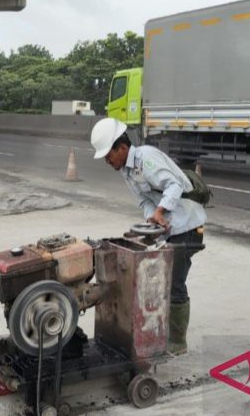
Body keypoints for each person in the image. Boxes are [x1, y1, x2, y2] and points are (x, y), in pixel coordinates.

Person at [90, 117, 206, 355]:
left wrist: (161, 211)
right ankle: (159, 330)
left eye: (108, 155)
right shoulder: (127, 170)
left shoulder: (146, 158)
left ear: (121, 148)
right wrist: (152, 219)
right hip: (169, 228)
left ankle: (177, 342)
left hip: (187, 226)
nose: (107, 161)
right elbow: (144, 200)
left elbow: (174, 185)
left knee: (174, 283)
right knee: (158, 279)